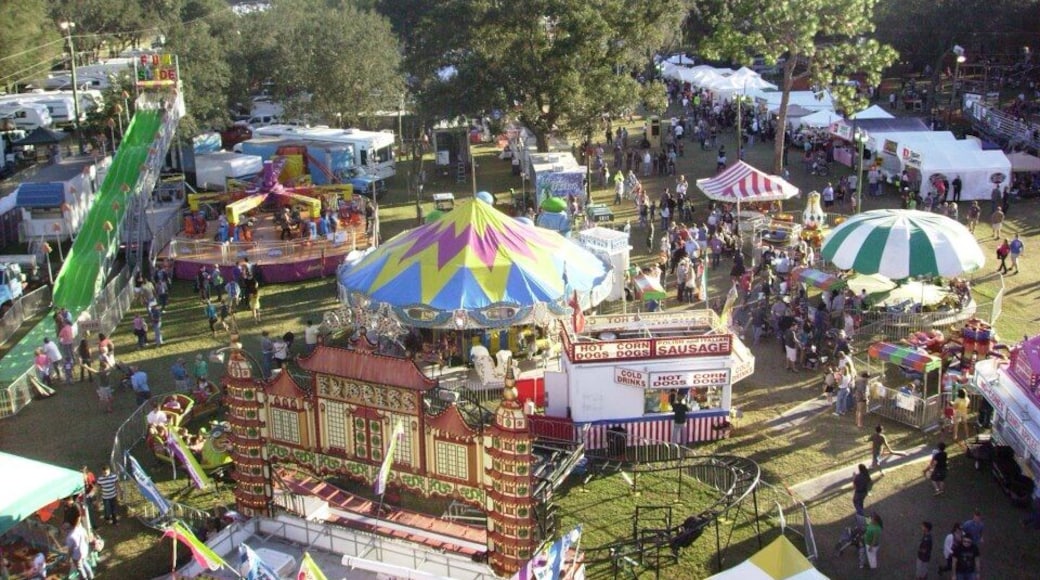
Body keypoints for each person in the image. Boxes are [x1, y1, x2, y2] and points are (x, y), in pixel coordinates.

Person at [64, 511, 94, 579]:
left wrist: (68, 559)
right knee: (85, 562)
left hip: (77, 556)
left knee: (80, 568)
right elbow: (87, 539)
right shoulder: (80, 529)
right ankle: (90, 575)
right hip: (84, 551)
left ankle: (84, 578)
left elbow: (70, 550)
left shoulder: (70, 537)